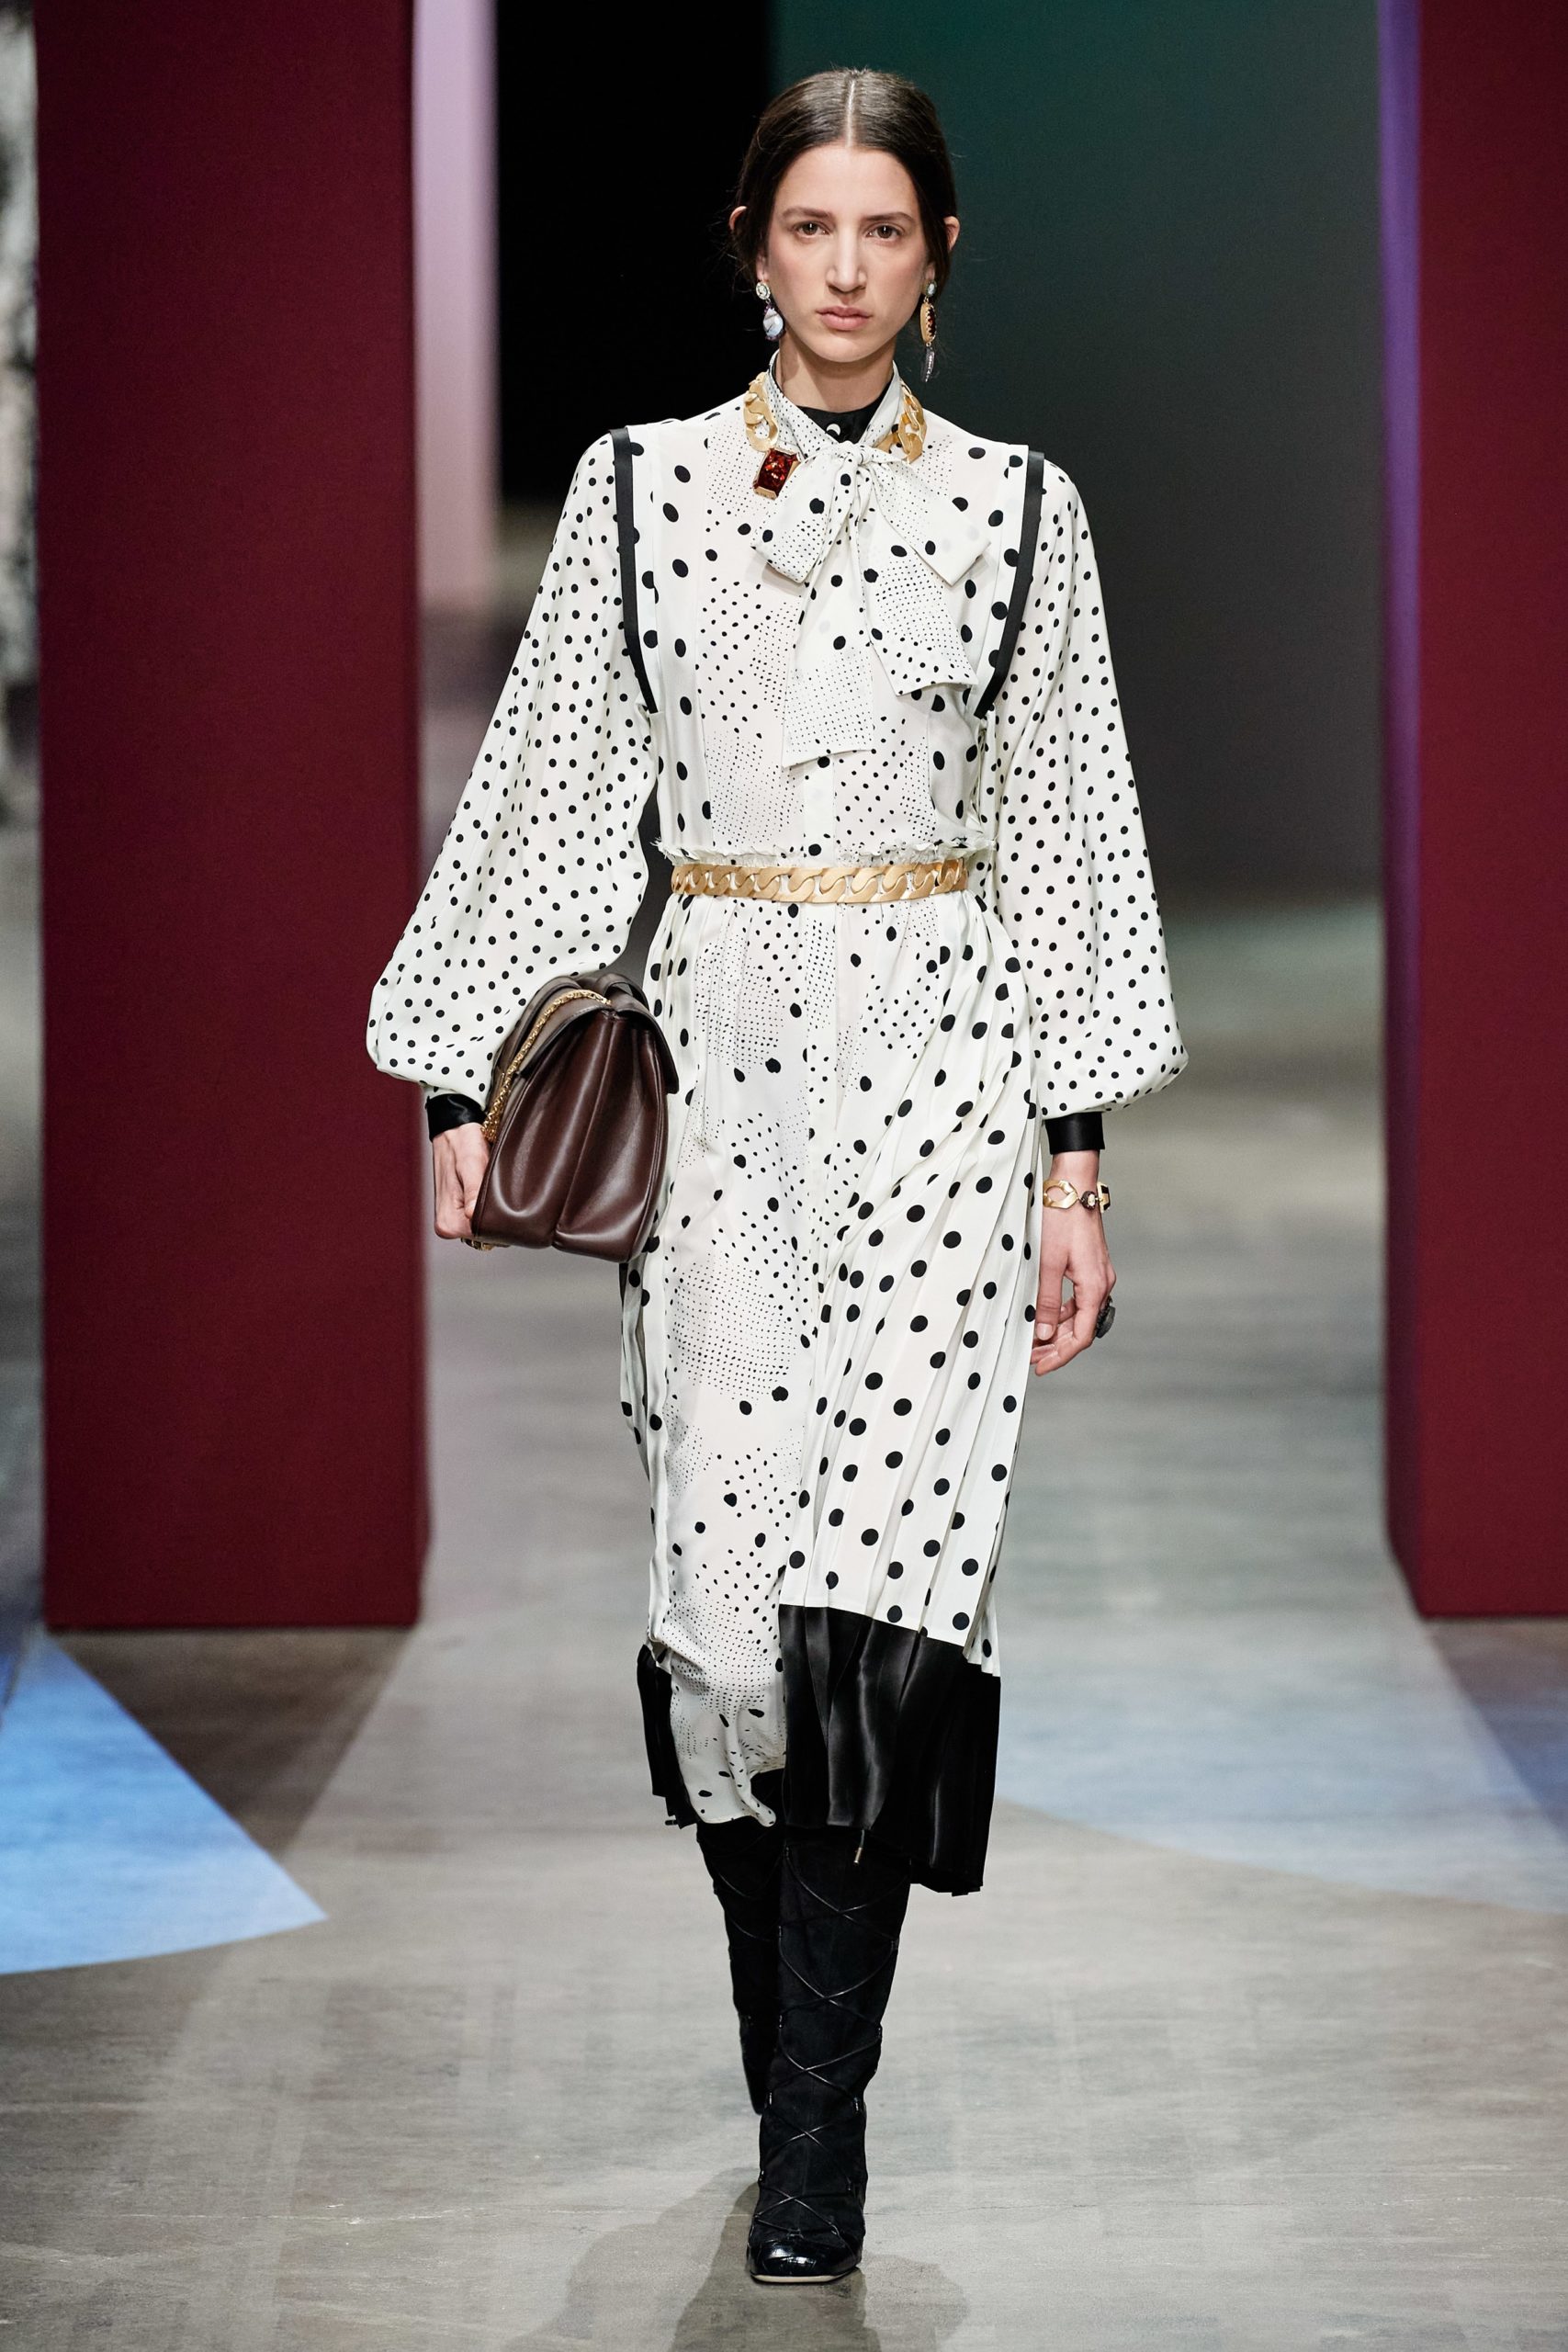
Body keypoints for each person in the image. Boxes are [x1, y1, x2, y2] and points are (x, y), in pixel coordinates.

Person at [367, 65, 1187, 2288]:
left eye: (881, 231)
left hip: (939, 1081)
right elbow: (552, 792)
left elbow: (1063, 836)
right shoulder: (636, 491)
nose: (843, 267)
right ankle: (783, 2075)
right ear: (751, 245)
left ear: (936, 259)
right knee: (732, 1625)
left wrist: (1075, 1165)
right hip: (719, 1086)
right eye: (807, 227)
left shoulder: (1018, 511)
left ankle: (819, 2138)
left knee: (884, 1615)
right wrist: (457, 1081)